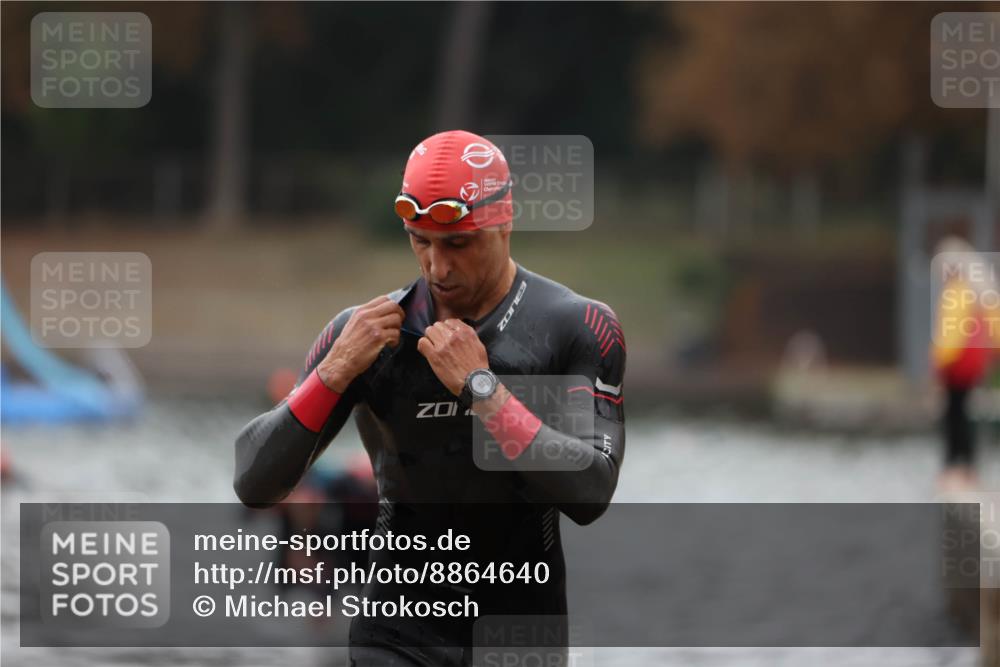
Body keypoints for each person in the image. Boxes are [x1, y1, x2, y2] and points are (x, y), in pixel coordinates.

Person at [233, 130, 627, 666]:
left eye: (457, 244)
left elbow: (591, 492)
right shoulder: (365, 335)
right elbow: (254, 484)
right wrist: (333, 373)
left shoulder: (573, 326)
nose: (437, 267)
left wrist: (483, 391)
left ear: (504, 221)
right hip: (396, 631)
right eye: (420, 240)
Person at [931, 236, 998, 491]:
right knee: (964, 413)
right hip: (973, 363)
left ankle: (954, 467)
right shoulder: (979, 291)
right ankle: (967, 467)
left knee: (954, 415)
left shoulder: (958, 291)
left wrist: (938, 364)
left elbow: (950, 335)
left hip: (958, 363)